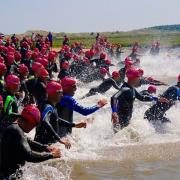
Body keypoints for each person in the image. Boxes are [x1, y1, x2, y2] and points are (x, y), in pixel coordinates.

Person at [0, 104, 61, 179]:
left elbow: (27, 140)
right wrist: (51, 155)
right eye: (33, 125)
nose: (33, 128)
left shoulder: (15, 126)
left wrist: (45, 148)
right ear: (30, 122)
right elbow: (29, 155)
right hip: (7, 176)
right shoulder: (16, 131)